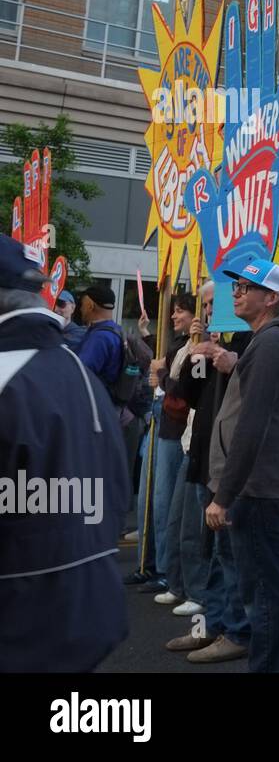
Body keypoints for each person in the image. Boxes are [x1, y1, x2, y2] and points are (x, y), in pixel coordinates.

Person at [0, 237, 131, 670]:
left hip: (24, 626)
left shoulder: (13, 374)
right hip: (86, 612)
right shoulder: (76, 368)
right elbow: (114, 492)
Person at [206, 260, 279, 673]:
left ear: (271, 297)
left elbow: (253, 424)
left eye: (247, 286)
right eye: (235, 285)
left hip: (259, 490)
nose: (236, 292)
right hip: (274, 485)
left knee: (264, 598)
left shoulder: (272, 341)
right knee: (276, 592)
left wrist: (224, 495)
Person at [170, 285, 253, 664]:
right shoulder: (206, 344)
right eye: (203, 305)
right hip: (205, 455)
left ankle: (236, 630)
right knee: (212, 551)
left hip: (231, 462)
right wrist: (194, 351)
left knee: (230, 553)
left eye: (211, 304)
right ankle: (212, 625)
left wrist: (230, 359)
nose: (206, 311)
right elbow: (183, 395)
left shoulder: (254, 340)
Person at [142, 292, 197, 598]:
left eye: (180, 312)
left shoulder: (196, 347)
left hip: (179, 430)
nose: (174, 317)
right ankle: (164, 568)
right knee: (160, 502)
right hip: (166, 425)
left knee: (170, 505)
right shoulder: (179, 344)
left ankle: (169, 572)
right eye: (173, 312)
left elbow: (183, 389)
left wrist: (160, 374)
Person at [75, 282, 123, 390]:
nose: (81, 309)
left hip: (98, 400)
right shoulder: (117, 331)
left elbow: (81, 373)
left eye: (82, 305)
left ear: (90, 306)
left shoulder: (100, 337)